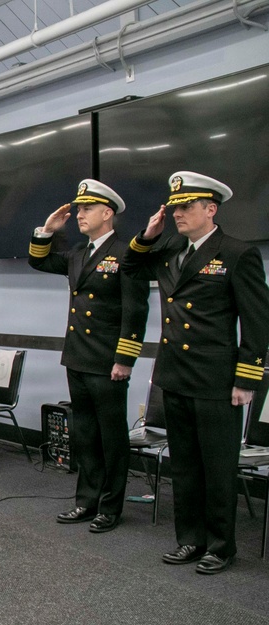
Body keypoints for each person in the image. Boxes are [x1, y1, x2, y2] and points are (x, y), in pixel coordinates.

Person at [122, 171, 269, 574]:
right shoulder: (170, 249)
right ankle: (190, 539)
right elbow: (131, 268)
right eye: (174, 208)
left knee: (217, 467)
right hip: (175, 376)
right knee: (184, 465)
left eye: (186, 207)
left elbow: (257, 322)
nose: (178, 214)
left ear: (211, 208)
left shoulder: (237, 252)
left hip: (215, 379)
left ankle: (220, 546)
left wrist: (246, 379)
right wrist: (148, 235)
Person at [28, 179, 149, 533]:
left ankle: (110, 507)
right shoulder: (80, 252)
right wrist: (46, 231)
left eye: (87, 209)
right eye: (79, 209)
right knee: (85, 435)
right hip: (78, 357)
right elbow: (40, 262)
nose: (79, 214)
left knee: (111, 438)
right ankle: (86, 501)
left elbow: (135, 309)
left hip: (108, 360)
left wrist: (125, 359)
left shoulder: (128, 253)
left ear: (107, 213)